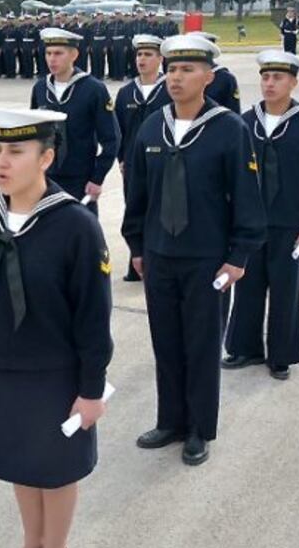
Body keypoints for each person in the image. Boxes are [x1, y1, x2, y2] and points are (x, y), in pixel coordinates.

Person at [0, 109, 113, 548]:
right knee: (20, 461)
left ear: (46, 157)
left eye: (16, 151)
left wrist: (90, 390)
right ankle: (32, 543)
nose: (2, 161)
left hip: (55, 374)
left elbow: (92, 316)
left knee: (56, 468)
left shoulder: (76, 226)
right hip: (0, 368)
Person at [123, 34, 266, 465]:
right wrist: (136, 246)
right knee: (166, 341)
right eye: (171, 69)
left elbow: (246, 196)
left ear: (209, 76)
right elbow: (138, 193)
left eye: (187, 70)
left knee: (202, 346)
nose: (175, 78)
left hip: (207, 258)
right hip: (160, 255)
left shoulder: (228, 129)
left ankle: (199, 428)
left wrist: (239, 256)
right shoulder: (152, 126)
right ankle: (171, 420)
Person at [223, 51, 299, 381]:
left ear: (293, 83)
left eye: (278, 78)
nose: (270, 84)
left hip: (290, 224)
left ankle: (281, 355)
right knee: (248, 286)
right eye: (266, 77)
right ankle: (246, 347)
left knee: (285, 289)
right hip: (251, 223)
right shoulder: (245, 122)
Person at [29, 28, 120, 213]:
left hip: (81, 178)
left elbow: (111, 138)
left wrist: (97, 177)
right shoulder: (40, 88)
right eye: (48, 53)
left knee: (83, 234)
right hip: (46, 177)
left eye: (58, 53)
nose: (52, 59)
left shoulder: (94, 89)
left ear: (74, 54)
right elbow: (33, 133)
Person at [115, 34, 170, 282]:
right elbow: (118, 130)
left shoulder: (169, 89)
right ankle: (135, 261)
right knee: (134, 208)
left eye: (148, 55)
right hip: (133, 164)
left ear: (160, 59)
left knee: (160, 208)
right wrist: (121, 158)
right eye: (139, 54)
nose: (142, 59)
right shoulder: (126, 92)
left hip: (163, 163)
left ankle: (157, 260)